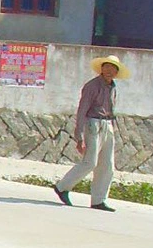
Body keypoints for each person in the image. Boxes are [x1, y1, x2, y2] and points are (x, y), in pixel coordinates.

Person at [52, 54, 126, 211]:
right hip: (93, 123)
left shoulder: (112, 87)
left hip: (107, 124)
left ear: (116, 72)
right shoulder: (92, 86)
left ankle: (99, 200)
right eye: (106, 67)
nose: (109, 71)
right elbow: (82, 109)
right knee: (90, 162)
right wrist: (79, 136)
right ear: (101, 68)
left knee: (107, 165)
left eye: (113, 68)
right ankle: (62, 186)